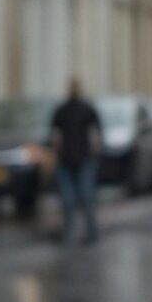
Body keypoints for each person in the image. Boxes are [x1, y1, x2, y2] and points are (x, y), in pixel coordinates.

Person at [50, 78, 103, 245]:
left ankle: (91, 232)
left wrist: (94, 154)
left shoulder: (87, 109)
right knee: (67, 200)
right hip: (65, 161)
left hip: (84, 160)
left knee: (86, 198)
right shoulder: (61, 110)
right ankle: (68, 234)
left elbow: (96, 133)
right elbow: (55, 135)